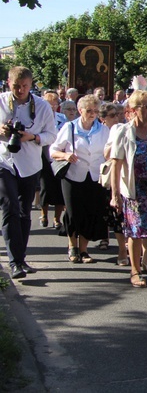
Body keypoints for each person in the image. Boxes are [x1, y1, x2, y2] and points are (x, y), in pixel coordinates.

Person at [108, 90, 147, 289]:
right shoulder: (123, 132)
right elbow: (116, 164)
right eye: (145, 106)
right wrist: (115, 195)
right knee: (135, 232)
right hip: (134, 191)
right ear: (134, 110)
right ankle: (135, 271)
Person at [0, 67, 57, 279]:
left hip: (30, 164)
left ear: (31, 84)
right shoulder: (1, 101)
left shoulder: (41, 106)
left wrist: (32, 137)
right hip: (4, 162)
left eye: (25, 86)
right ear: (8, 82)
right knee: (10, 208)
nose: (20, 90)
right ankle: (14, 262)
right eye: (16, 86)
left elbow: (52, 135)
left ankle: (21, 257)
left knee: (24, 212)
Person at [50, 95, 110, 264]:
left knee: (90, 212)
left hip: (95, 177)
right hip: (73, 177)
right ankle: (72, 246)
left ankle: (84, 250)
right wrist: (65, 155)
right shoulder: (69, 127)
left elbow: (108, 152)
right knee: (73, 212)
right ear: (80, 110)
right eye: (89, 110)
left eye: (95, 111)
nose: (92, 114)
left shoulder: (103, 130)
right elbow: (53, 151)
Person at [99, 102, 128, 262]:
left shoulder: (127, 127)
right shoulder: (112, 131)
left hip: (131, 176)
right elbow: (106, 154)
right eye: (112, 115)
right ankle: (122, 249)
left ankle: (137, 252)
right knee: (116, 214)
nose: (117, 118)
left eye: (118, 114)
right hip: (114, 176)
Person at [39, 92, 65, 230]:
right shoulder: (40, 118)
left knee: (59, 189)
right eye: (50, 104)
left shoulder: (62, 118)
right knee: (45, 188)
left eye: (55, 104)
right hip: (44, 156)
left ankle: (57, 218)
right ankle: (43, 214)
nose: (53, 107)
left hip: (59, 157)